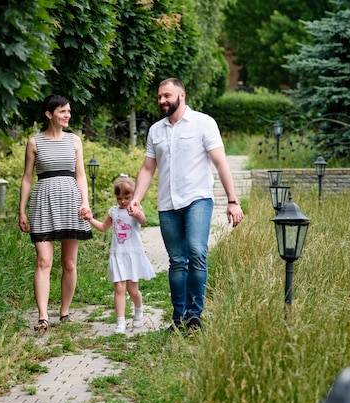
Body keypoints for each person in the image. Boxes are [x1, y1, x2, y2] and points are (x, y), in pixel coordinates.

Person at [128, 78, 244, 332]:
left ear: (182, 95)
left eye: (167, 96)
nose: (161, 101)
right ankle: (178, 317)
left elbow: (221, 163)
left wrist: (233, 201)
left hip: (198, 199)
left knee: (196, 252)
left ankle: (195, 316)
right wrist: (136, 197)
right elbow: (148, 168)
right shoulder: (156, 131)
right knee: (177, 260)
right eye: (159, 96)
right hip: (167, 204)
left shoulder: (204, 123)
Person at [19, 94, 93, 331]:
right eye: (63, 111)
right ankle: (42, 316)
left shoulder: (75, 141)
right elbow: (27, 178)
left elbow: (81, 175)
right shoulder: (34, 142)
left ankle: (65, 311)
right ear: (49, 114)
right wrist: (21, 210)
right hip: (43, 201)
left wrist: (86, 202)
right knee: (44, 260)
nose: (67, 115)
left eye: (69, 111)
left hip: (71, 201)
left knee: (69, 263)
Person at [86, 175, 156, 334]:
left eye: (127, 197)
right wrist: (90, 219)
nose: (123, 201)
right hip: (118, 254)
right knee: (118, 287)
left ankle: (138, 310)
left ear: (132, 196)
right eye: (119, 198)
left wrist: (137, 213)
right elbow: (104, 227)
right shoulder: (113, 211)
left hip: (132, 254)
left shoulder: (136, 209)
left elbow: (143, 221)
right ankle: (120, 322)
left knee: (133, 290)